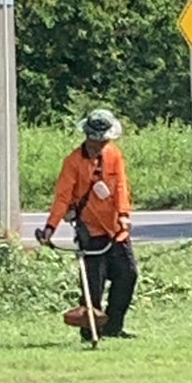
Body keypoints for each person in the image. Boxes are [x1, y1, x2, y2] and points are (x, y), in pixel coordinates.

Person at [40, 108, 137, 339]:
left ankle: (113, 327)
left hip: (116, 230)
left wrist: (124, 215)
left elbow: (121, 187)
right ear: (87, 136)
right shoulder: (73, 162)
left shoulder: (114, 154)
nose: (100, 145)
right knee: (93, 284)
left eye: (104, 140)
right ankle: (90, 330)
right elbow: (62, 197)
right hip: (90, 231)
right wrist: (50, 228)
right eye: (96, 140)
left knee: (128, 274)